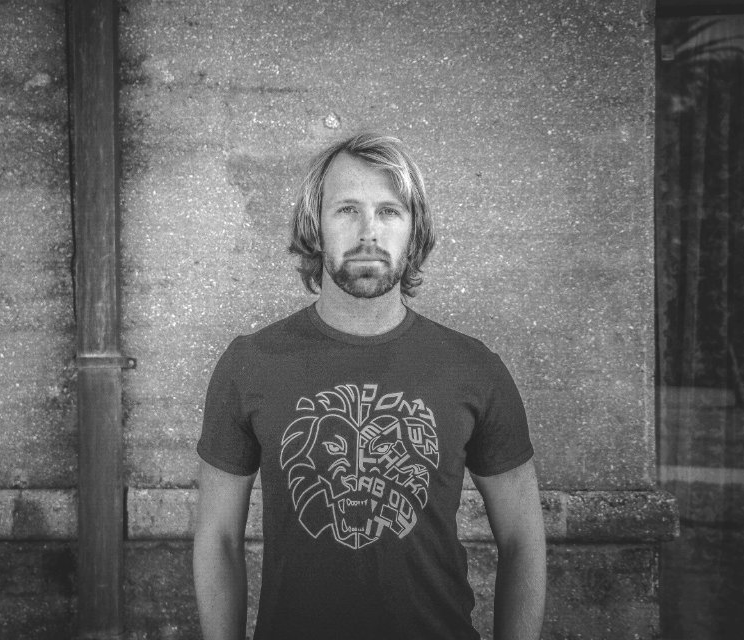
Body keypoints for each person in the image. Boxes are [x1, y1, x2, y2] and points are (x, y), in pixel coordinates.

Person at [193, 133, 546, 640]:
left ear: (414, 228)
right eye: (346, 210)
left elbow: (523, 542)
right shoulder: (249, 365)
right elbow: (218, 540)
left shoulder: (474, 369)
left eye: (389, 211)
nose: (368, 231)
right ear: (315, 226)